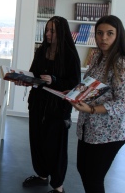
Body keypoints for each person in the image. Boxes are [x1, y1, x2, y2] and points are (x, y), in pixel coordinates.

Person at [70, 15, 125, 193]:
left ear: (118, 36)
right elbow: (89, 86)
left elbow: (123, 105)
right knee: (84, 171)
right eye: (99, 33)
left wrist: (92, 109)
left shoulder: (122, 65)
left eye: (110, 33)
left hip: (109, 133)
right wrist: (73, 94)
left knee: (93, 178)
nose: (103, 38)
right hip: (89, 128)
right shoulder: (97, 57)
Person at [20, 16, 81, 193]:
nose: (47, 33)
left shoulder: (70, 55)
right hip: (38, 104)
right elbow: (34, 73)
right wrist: (25, 80)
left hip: (57, 109)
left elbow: (74, 83)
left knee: (55, 147)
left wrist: (54, 80)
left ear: (61, 33)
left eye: (52, 31)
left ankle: (58, 187)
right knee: (37, 140)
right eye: (47, 30)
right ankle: (41, 175)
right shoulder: (41, 51)